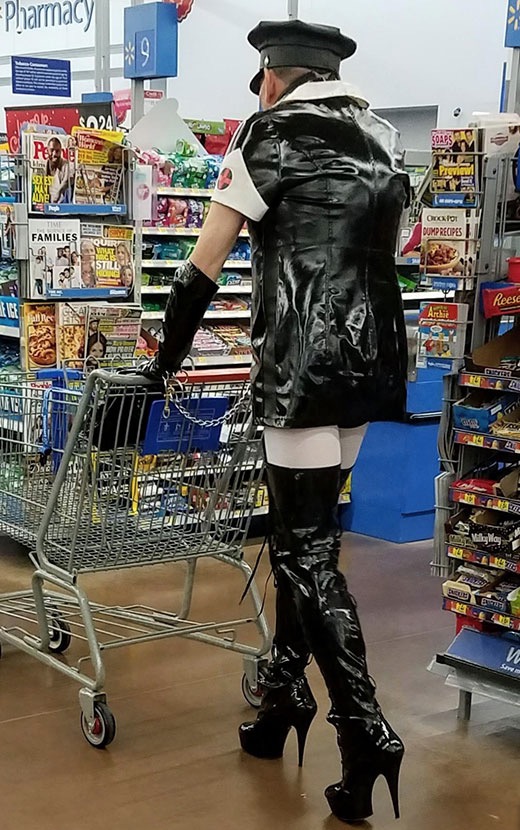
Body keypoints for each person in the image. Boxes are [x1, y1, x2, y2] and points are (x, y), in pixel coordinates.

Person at [138, 19, 409, 825]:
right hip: (372, 362)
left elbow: (201, 265)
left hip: (302, 366)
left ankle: (363, 730)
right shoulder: (383, 138)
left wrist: (162, 364)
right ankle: (283, 695)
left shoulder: (267, 135)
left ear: (273, 78)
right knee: (311, 537)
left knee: (303, 547)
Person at [45, 137, 72, 204]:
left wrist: (58, 193)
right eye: (52, 150)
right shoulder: (45, 164)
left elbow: (66, 180)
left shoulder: (65, 165)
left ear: (61, 151)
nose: (54, 154)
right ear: (47, 150)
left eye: (57, 151)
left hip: (61, 204)